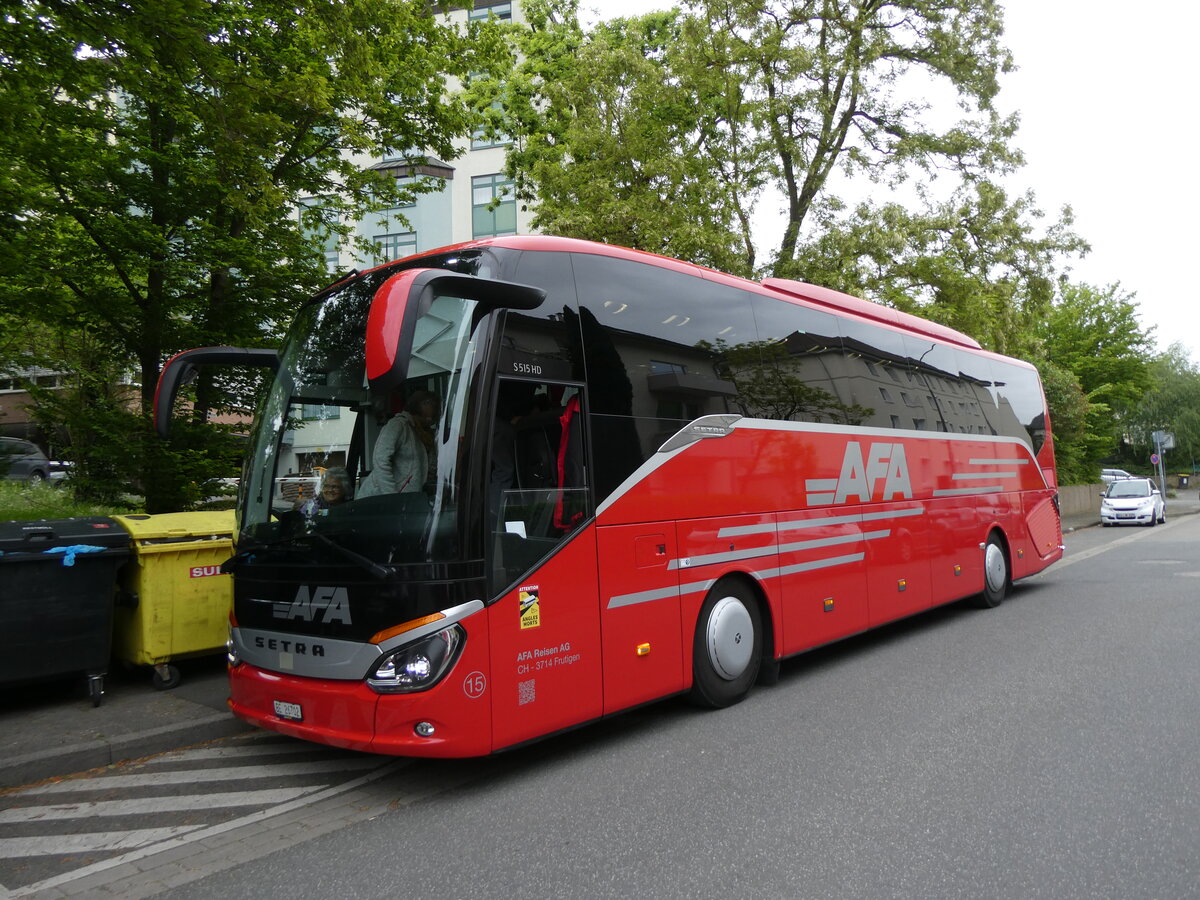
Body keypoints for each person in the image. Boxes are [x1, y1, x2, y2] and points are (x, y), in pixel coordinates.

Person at [358, 390, 440, 498]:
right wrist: (392, 496)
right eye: (426, 417)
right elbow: (380, 460)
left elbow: (430, 471)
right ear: (417, 410)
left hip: (408, 502)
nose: (430, 421)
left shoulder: (427, 435)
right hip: (378, 500)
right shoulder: (398, 425)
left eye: (433, 417)